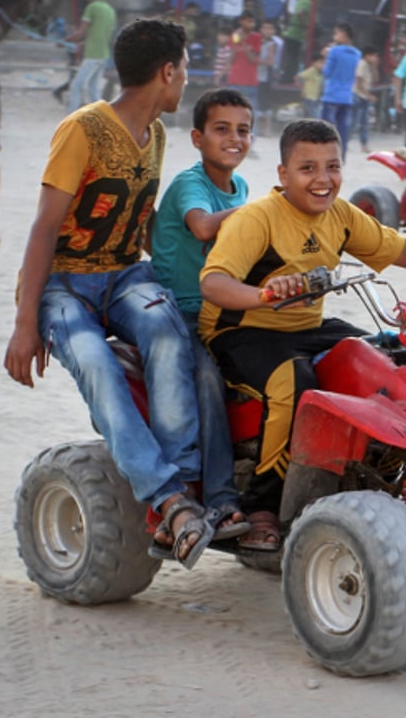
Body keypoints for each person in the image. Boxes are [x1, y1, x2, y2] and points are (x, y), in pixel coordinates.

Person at [198, 118, 406, 550]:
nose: (322, 180)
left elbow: (397, 247)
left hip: (306, 327)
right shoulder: (256, 219)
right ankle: (263, 504)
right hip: (242, 329)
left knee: (388, 358)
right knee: (293, 382)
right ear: (283, 175)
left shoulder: (339, 215)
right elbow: (214, 284)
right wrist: (265, 294)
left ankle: (383, 470)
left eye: (332, 167)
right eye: (307, 169)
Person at [4, 19, 214, 570]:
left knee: (169, 335)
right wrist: (26, 324)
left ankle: (183, 487)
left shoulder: (158, 136)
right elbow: (45, 227)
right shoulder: (83, 129)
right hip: (63, 284)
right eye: (185, 69)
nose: (186, 81)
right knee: (99, 365)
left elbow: (137, 224)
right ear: (167, 72)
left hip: (124, 275)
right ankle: (169, 499)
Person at [150, 88, 255, 538]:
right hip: (180, 310)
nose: (234, 138)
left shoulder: (242, 188)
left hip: (222, 306)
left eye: (243, 130)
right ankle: (219, 497)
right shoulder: (190, 184)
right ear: (197, 138)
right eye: (222, 130)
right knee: (209, 377)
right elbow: (203, 226)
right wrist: (265, 213)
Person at [61, 0, 117, 112]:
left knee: (77, 85)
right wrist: (82, 42)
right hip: (104, 54)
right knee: (93, 87)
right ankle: (101, 116)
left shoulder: (92, 7)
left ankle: (71, 116)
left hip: (93, 54)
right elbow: (102, 34)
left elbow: (80, 32)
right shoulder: (111, 11)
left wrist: (65, 40)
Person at [320, 23, 362, 161]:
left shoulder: (334, 51)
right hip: (347, 96)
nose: (335, 36)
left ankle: (325, 156)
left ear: (343, 34)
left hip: (332, 94)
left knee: (326, 129)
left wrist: (325, 57)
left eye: (336, 33)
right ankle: (340, 156)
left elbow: (327, 73)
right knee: (343, 129)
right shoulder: (357, 53)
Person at [225, 12, 261, 105]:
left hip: (250, 81)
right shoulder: (234, 36)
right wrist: (236, 43)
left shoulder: (256, 37)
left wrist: (243, 41)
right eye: (249, 21)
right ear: (242, 21)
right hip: (235, 79)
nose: (252, 24)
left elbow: (252, 59)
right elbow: (231, 59)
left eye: (253, 22)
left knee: (250, 108)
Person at [281, 0, 312, 84]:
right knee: (294, 59)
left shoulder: (300, 1)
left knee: (291, 58)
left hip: (291, 34)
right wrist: (304, 26)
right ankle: (288, 79)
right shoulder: (307, 2)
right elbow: (300, 13)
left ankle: (286, 77)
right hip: (296, 34)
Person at [257, 19, 283, 136]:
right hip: (255, 76)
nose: (267, 31)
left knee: (266, 103)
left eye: (270, 28)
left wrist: (255, 60)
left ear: (274, 31)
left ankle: (267, 129)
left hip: (266, 76)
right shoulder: (257, 41)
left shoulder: (274, 44)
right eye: (265, 28)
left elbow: (270, 61)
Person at [353, 46, 380, 155]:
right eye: (374, 56)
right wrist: (368, 95)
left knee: (364, 123)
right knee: (353, 122)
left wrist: (375, 67)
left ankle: (364, 145)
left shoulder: (369, 66)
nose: (375, 58)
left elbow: (375, 79)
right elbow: (359, 82)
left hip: (364, 97)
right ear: (367, 55)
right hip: (358, 96)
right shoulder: (362, 64)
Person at [295, 52, 325, 117]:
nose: (322, 65)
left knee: (313, 115)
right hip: (309, 97)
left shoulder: (321, 73)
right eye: (320, 62)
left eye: (323, 63)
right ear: (313, 63)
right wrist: (302, 89)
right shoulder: (311, 71)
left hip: (316, 98)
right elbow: (297, 77)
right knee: (315, 115)